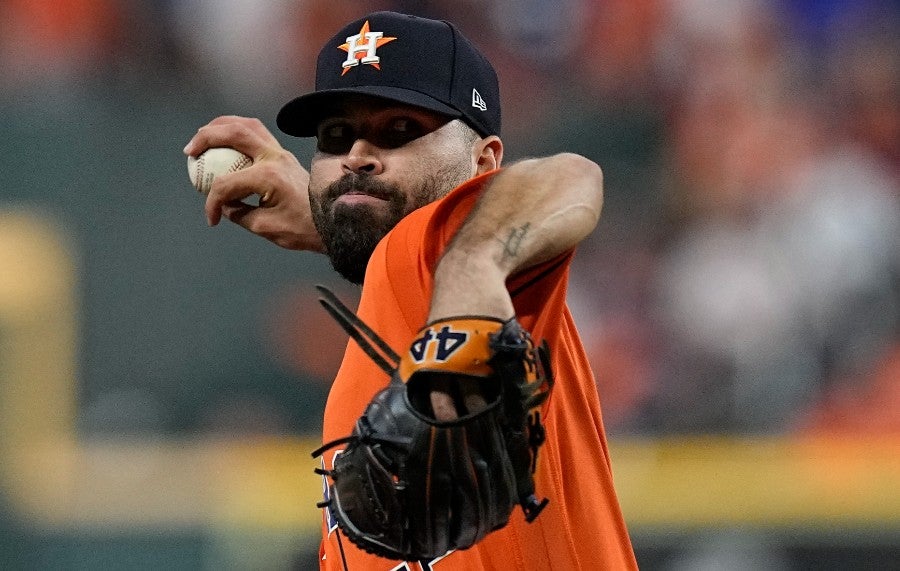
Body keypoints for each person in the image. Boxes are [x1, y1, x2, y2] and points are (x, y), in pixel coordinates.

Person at [184, 11, 636, 571]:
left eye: (400, 130)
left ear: (483, 162)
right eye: (335, 136)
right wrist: (336, 221)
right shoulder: (395, 288)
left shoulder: (462, 258)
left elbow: (567, 179)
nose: (356, 156)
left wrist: (471, 271)